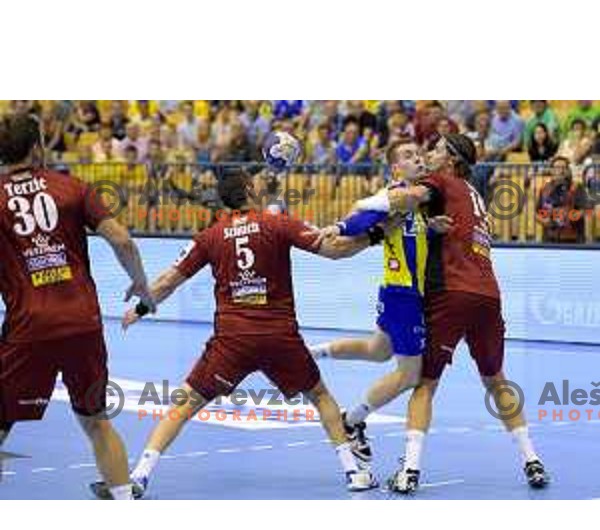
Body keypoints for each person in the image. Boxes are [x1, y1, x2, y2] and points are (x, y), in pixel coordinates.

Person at [91, 168, 378, 499]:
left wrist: (140, 309)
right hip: (278, 336)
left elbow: (169, 280)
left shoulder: (210, 236)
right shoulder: (279, 223)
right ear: (248, 191)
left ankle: (139, 477)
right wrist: (375, 236)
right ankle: (355, 474)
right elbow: (336, 249)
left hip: (233, 340)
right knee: (321, 397)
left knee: (183, 405)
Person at [355, 133, 549, 493]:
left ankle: (410, 470)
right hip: (489, 295)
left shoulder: (441, 181)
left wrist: (363, 204)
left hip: (451, 294)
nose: (429, 153)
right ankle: (532, 461)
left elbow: (405, 197)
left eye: (437, 148)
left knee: (424, 384)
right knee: (497, 380)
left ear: (452, 159)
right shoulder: (475, 195)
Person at [0, 114, 156, 499]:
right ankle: (123, 501)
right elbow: (123, 241)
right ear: (38, 148)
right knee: (97, 421)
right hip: (82, 323)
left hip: (28, 326)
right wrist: (139, 282)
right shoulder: (72, 187)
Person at [309, 141, 451, 462]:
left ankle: (313, 352)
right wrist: (340, 226)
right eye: (407, 156)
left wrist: (430, 229)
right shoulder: (397, 195)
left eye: (417, 154)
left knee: (377, 351)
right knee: (410, 375)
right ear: (395, 169)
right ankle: (351, 421)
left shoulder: (416, 201)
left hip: (395, 291)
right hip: (405, 295)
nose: (417, 158)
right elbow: (367, 216)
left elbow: (406, 236)